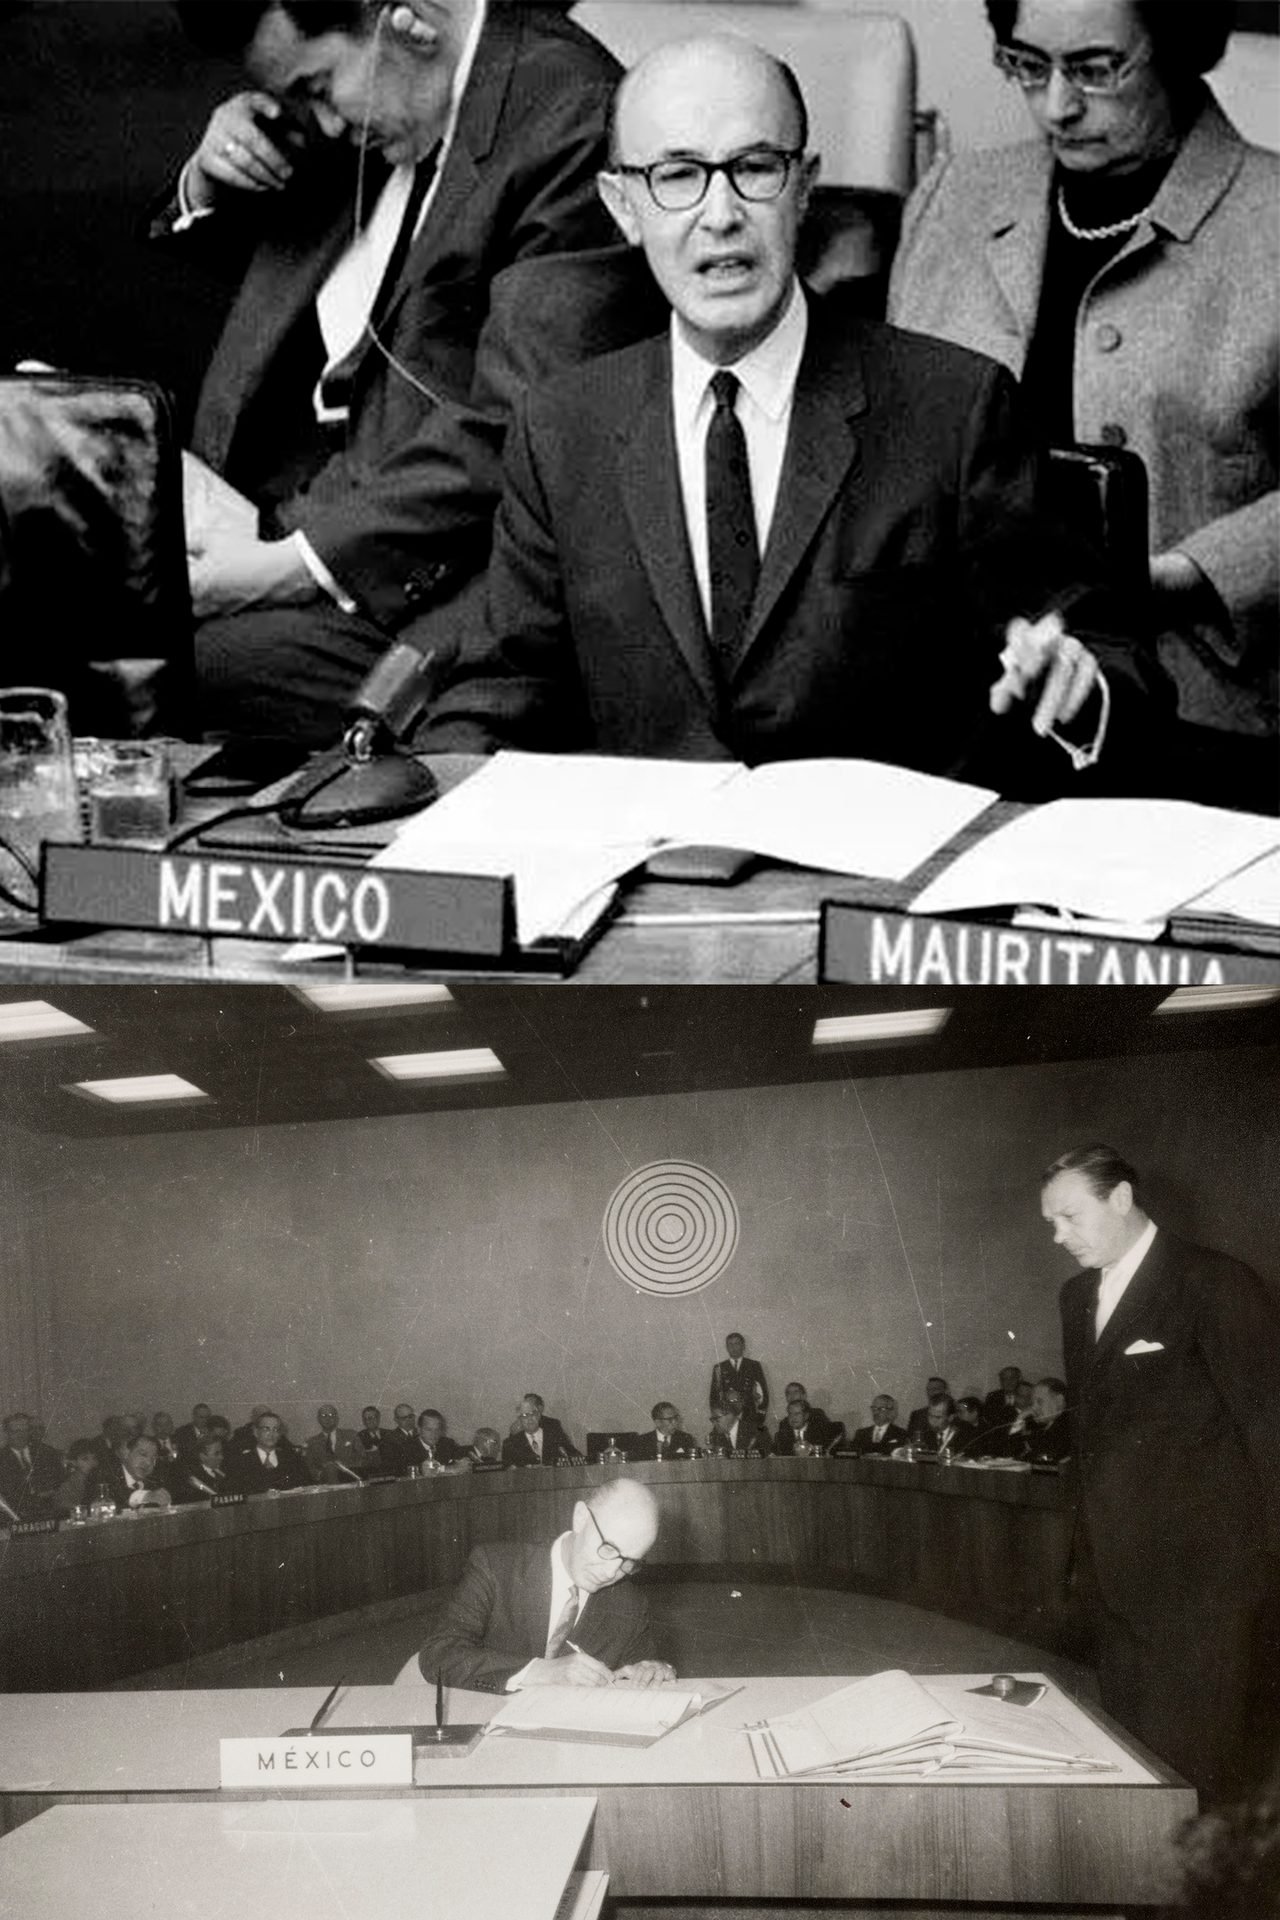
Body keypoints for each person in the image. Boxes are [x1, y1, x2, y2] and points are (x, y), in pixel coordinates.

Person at [422, 31, 1175, 793]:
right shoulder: (561, 429)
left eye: (755, 169)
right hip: (648, 885)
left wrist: (1080, 689)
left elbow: (1111, 659)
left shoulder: (954, 409)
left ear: (805, 186)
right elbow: (504, 687)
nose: (721, 214)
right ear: (623, 207)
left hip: (873, 887)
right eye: (678, 176)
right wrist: (428, 795)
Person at [162, 0, 621, 744]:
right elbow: (300, 268)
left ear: (409, 21)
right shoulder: (396, 90)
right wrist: (213, 179)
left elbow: (520, 429)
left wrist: (290, 564)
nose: (329, 124)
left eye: (315, 88)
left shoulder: (571, 120)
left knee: (158, 664)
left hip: (437, 588)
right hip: (272, 506)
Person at [890, 1, 1277, 746]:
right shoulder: (953, 198)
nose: (1058, 106)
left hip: (1197, 713)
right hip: (961, 695)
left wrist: (1189, 571)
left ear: (1176, 47)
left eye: (1095, 70)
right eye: (1028, 66)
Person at [1042, 1142, 1280, 1801]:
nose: (1059, 1237)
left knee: (1196, 1773)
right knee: (1134, 1763)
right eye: (1050, 1224)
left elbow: (1269, 1426)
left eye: (1069, 1216)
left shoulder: (1214, 1282)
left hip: (1203, 1581)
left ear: (1120, 1199)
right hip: (1115, 1579)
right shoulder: (1075, 1298)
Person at [404, 1477, 674, 1691]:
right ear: (580, 1517)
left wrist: (654, 1670)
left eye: (630, 1562)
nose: (612, 1571)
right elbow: (439, 1655)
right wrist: (538, 1671)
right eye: (608, 1548)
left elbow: (637, 1673)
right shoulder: (496, 1567)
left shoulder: (628, 1604)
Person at [226, 1410, 311, 1493]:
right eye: (266, 1429)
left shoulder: (293, 1459)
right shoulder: (240, 1463)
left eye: (275, 1429)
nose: (271, 1434)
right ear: (256, 1432)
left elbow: (307, 1487)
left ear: (280, 1434)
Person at [0, 1412, 62, 1516]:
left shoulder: (47, 1452)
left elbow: (60, 1481)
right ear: (6, 1433)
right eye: (16, 1431)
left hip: (50, 1511)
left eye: (25, 1430)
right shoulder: (1, 1459)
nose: (21, 1435)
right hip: (15, 1515)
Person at [94, 1435, 174, 1511]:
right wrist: (143, 1497)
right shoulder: (104, 1475)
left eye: (153, 1458)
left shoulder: (156, 1480)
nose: (148, 1462)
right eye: (143, 1454)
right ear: (126, 1453)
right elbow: (107, 1507)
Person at [501, 1393, 581, 1467]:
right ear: (520, 1419)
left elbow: (574, 1455)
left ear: (539, 1415)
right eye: (525, 1415)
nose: (529, 1419)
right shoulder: (509, 1444)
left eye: (533, 1414)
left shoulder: (555, 1437)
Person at [710, 1333, 769, 1416]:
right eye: (730, 1344)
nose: (733, 1348)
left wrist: (760, 1417)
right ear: (726, 1347)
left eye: (737, 1344)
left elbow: (763, 1393)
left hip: (750, 1414)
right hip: (728, 1416)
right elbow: (714, 1396)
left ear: (743, 1346)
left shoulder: (754, 1365)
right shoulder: (719, 1367)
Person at [303, 1402, 365, 1481]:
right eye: (324, 1416)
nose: (327, 1419)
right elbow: (310, 1466)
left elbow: (363, 1458)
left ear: (336, 1418)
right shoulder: (312, 1442)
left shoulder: (352, 1435)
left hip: (350, 1479)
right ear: (318, 1419)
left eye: (331, 1415)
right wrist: (324, 1473)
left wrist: (346, 1467)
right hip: (325, 1484)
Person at [1018, 1375, 1072, 1464]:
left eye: (1039, 1402)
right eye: (1032, 1403)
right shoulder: (1042, 1425)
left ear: (1059, 1400)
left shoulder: (1068, 1426)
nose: (1033, 1408)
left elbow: (1045, 1458)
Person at [706, 1390, 772, 1458]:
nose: (714, 1423)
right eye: (712, 1419)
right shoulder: (714, 1436)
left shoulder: (758, 1432)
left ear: (730, 1415)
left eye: (716, 1418)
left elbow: (768, 1460)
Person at [842, 1393, 907, 1457]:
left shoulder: (900, 1433)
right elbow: (854, 1453)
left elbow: (899, 1453)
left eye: (881, 1409)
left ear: (890, 1412)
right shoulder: (861, 1433)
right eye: (874, 1408)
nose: (876, 1412)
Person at [773, 1395, 840, 1455]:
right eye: (790, 1414)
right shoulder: (781, 1435)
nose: (793, 1418)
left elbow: (825, 1452)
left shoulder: (819, 1432)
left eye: (797, 1414)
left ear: (806, 1416)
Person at [174, 1433, 233, 1502]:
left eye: (221, 1452)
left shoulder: (228, 1468)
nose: (221, 1457)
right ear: (202, 1457)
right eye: (216, 1454)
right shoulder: (194, 1479)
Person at [630, 1401, 696, 1461]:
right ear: (657, 1422)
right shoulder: (642, 1441)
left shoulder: (686, 1438)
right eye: (670, 1419)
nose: (675, 1422)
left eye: (676, 1418)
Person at [52, 1439, 102, 1516]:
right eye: (85, 1459)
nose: (91, 1463)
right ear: (74, 1462)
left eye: (94, 1458)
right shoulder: (67, 1486)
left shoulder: (100, 1481)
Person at [381, 1401, 420, 1476]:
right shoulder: (389, 1439)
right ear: (396, 1419)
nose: (408, 1420)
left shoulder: (422, 1434)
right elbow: (391, 1466)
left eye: (410, 1416)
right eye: (404, 1418)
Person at [354, 1402, 390, 1472]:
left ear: (378, 1418)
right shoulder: (359, 1437)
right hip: (371, 1474)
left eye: (371, 1418)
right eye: (365, 1419)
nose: (368, 1421)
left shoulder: (389, 1434)